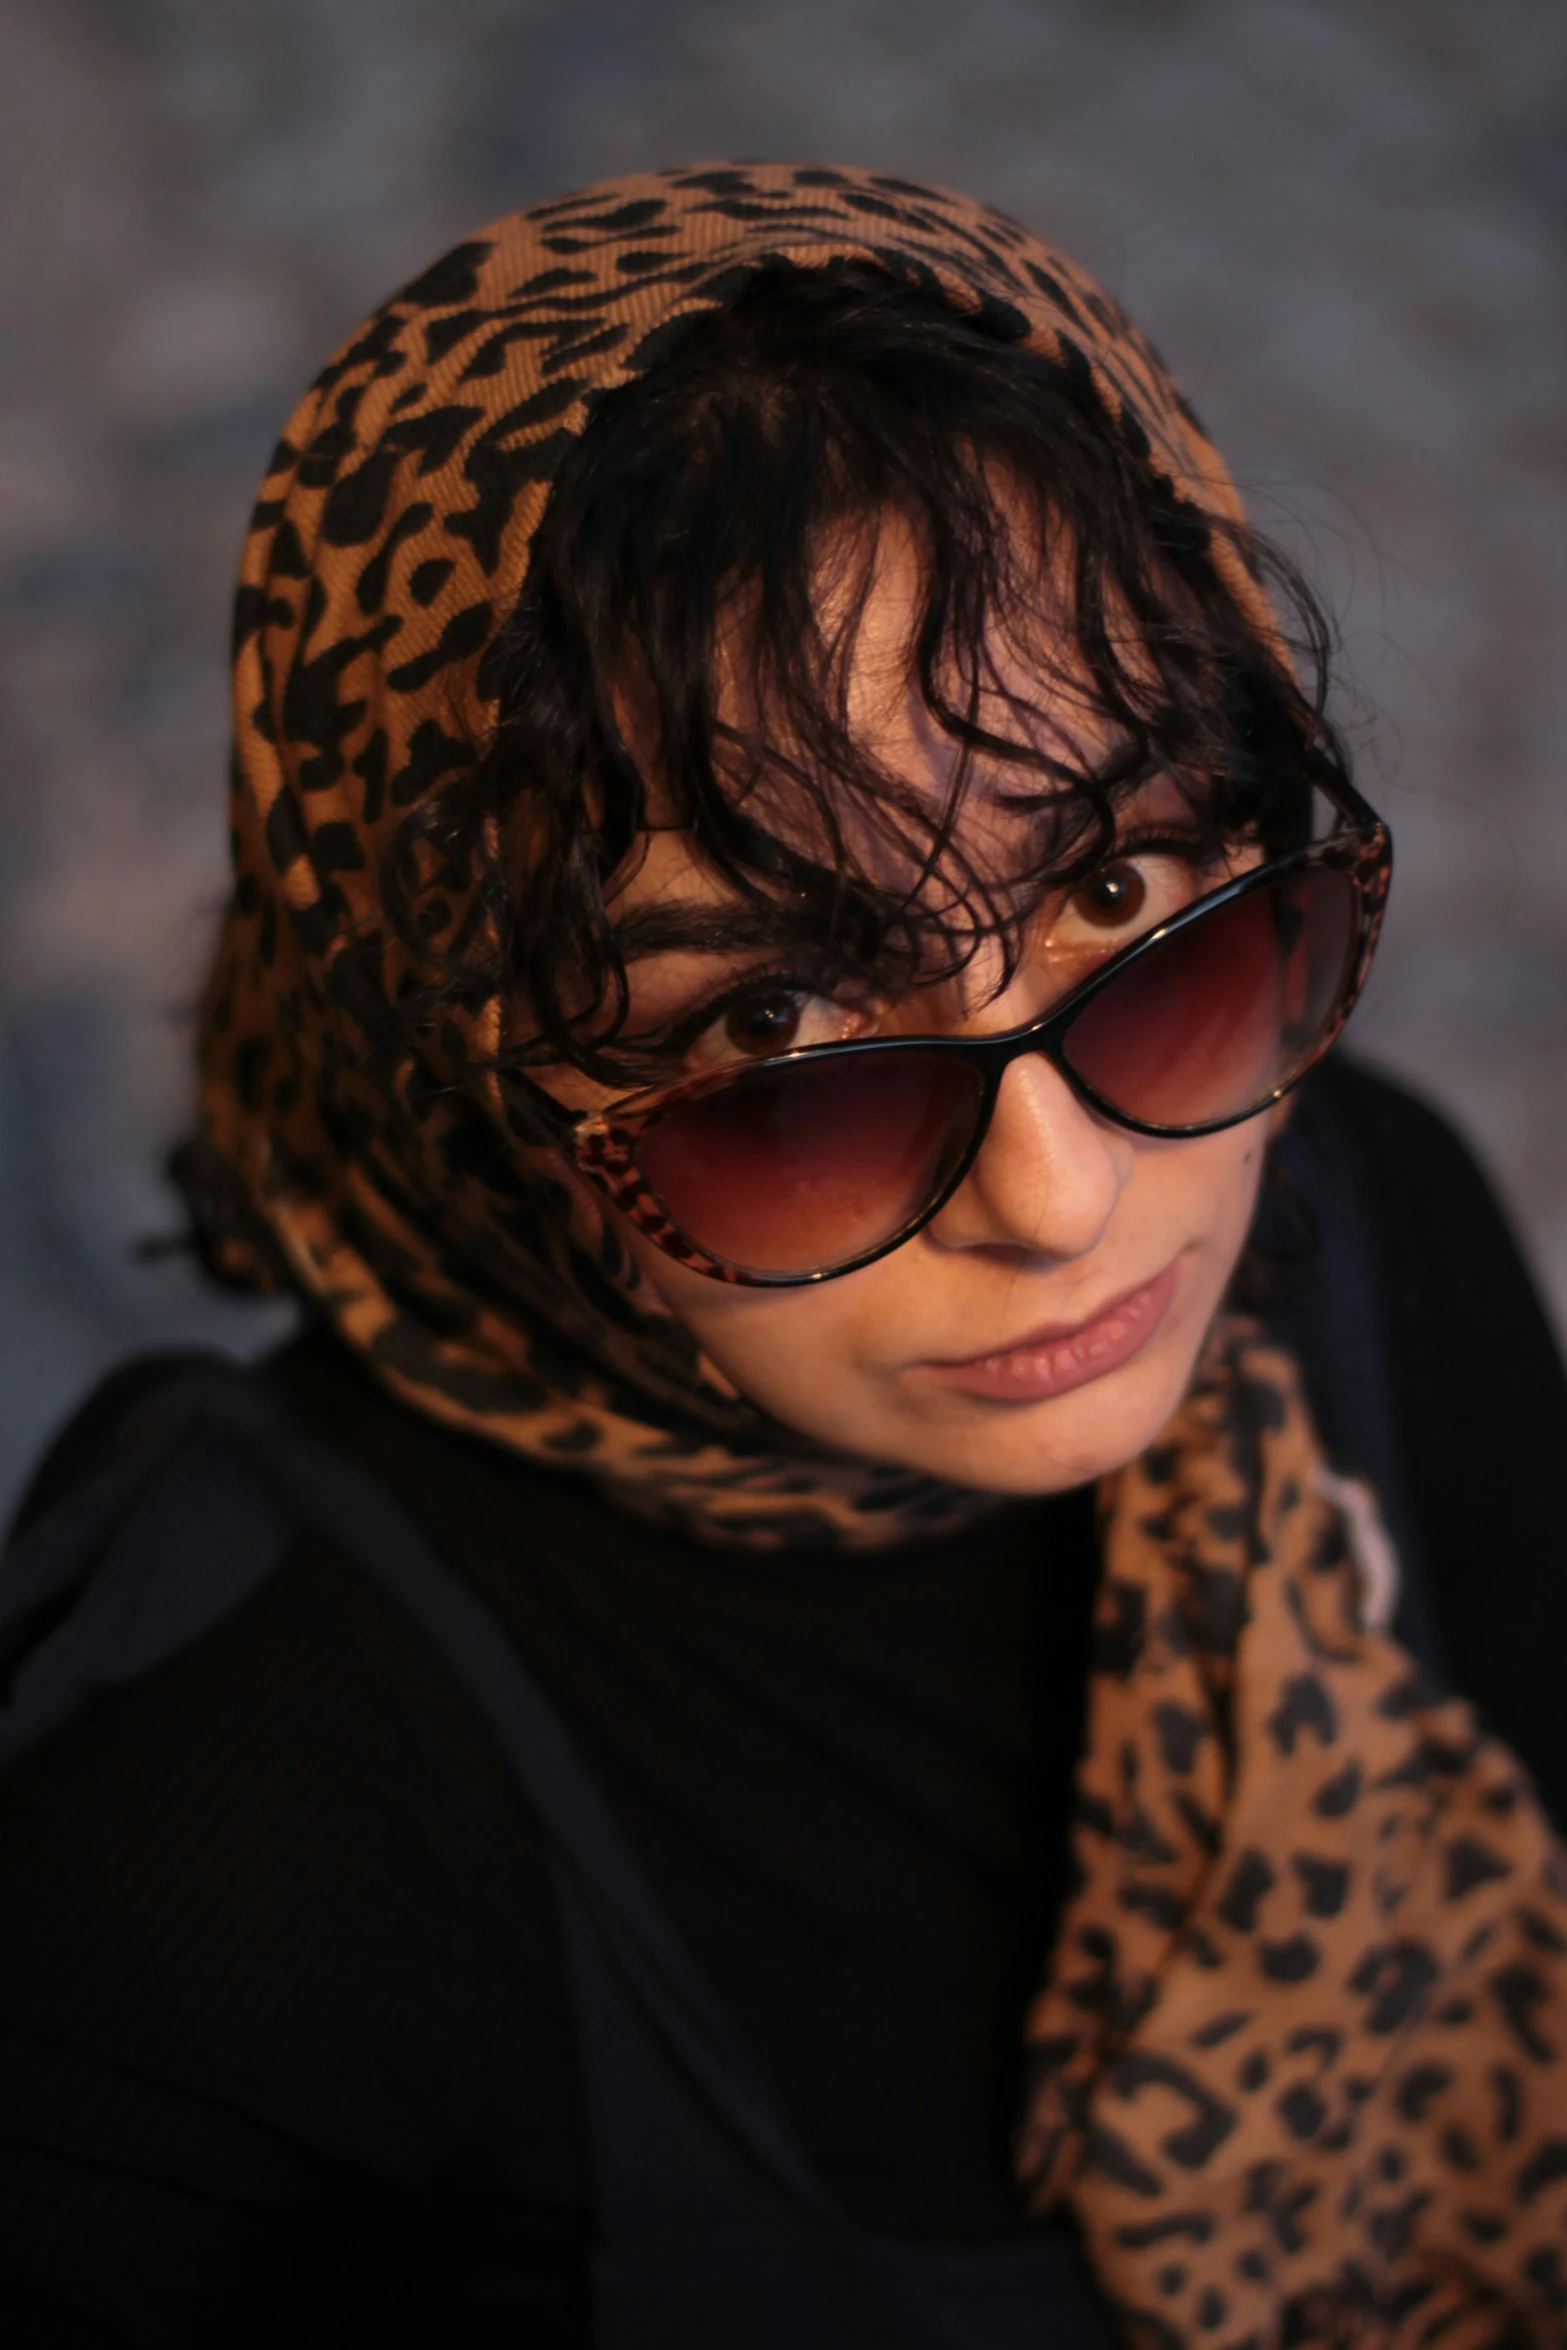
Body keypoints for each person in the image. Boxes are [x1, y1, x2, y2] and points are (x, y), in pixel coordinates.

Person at [2, 163, 1565, 2349]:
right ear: (477, 1085)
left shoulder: (1364, 1226)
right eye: (774, 1038)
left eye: (1125, 892)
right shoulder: (215, 1827)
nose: (1065, 1190)